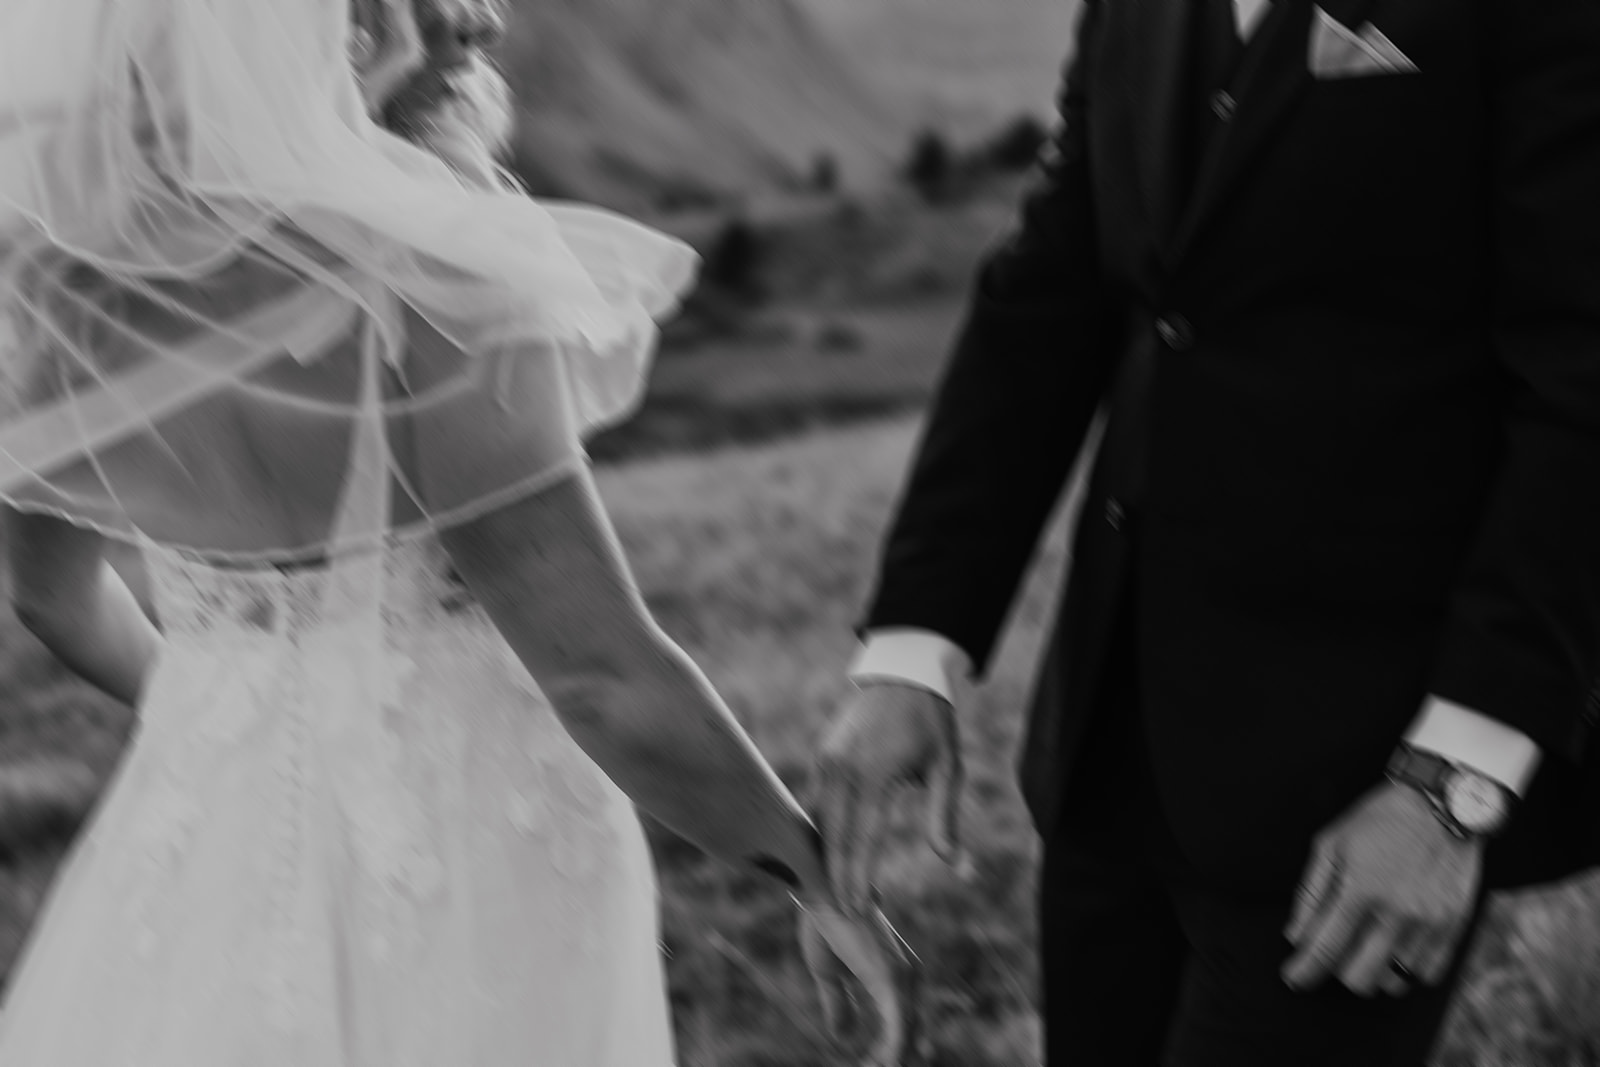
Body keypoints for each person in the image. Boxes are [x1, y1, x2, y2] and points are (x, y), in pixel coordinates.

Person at [0, 0, 899, 1062]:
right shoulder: (442, 279)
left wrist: (231, 710)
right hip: (462, 843)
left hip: (206, 830)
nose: (483, 15)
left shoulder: (60, 288)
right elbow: (598, 675)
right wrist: (808, 867)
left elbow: (52, 597)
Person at [813, 0, 1600, 1064]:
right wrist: (913, 642)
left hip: (1360, 783)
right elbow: (1046, 299)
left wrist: (1449, 786)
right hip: (1113, 754)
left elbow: (1581, 392)